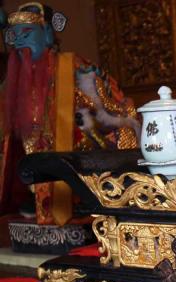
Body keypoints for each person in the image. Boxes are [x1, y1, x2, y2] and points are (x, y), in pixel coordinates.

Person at [0, 2, 140, 225]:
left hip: (79, 153)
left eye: (26, 33)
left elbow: (112, 110)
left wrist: (89, 99)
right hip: (33, 163)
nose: (18, 41)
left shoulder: (74, 66)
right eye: (14, 36)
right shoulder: (14, 79)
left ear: (47, 33)